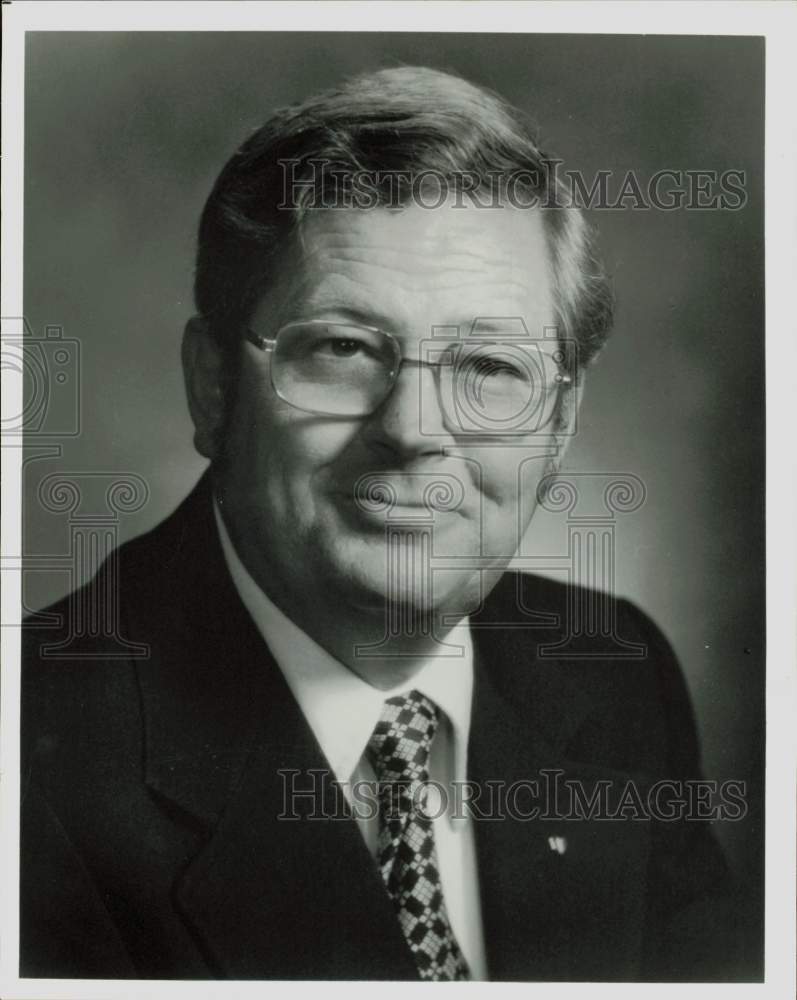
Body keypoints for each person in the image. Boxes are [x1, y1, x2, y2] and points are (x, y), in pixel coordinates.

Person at [21, 66, 733, 981]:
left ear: (557, 426)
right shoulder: (35, 763)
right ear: (213, 387)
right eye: (345, 348)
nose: (413, 432)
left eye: (490, 365)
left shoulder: (612, 676)